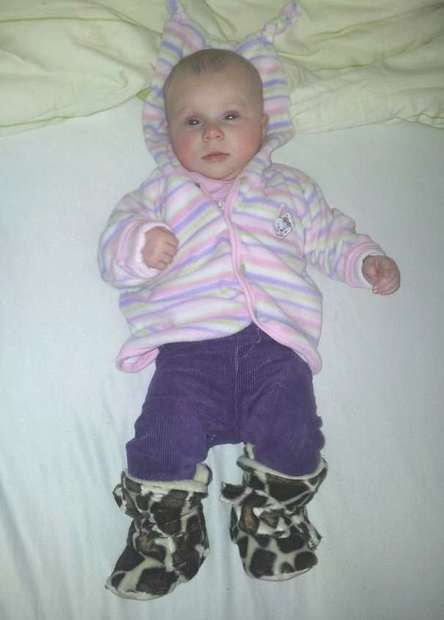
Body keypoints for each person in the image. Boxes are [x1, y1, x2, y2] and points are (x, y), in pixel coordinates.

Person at [98, 43, 400, 601]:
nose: (212, 132)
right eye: (193, 121)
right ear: (168, 133)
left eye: (230, 116)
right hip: (189, 351)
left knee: (296, 435)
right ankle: (164, 535)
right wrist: (142, 245)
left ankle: (270, 521)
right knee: (161, 437)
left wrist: (364, 261)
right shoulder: (160, 194)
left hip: (276, 347)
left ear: (263, 125)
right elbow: (112, 252)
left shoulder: (291, 189)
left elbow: (330, 235)